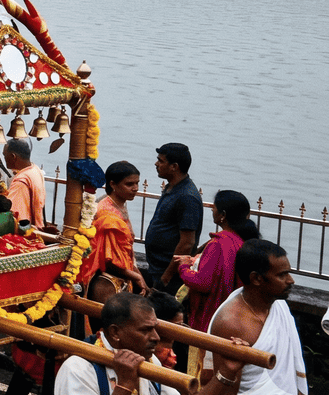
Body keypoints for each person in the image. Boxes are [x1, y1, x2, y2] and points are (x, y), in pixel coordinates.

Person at [50, 291, 238, 395]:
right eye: (146, 330)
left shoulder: (149, 363)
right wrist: (125, 384)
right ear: (115, 332)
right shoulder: (78, 369)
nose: (156, 337)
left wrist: (226, 372)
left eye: (155, 328)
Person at [203, 240, 308, 395]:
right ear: (256, 279)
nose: (291, 281)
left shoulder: (276, 304)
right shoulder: (233, 323)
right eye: (282, 275)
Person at [176, 190, 259, 361]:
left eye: (214, 208)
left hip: (210, 316)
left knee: (200, 365)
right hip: (231, 314)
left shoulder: (218, 244)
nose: (212, 211)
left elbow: (203, 282)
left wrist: (184, 267)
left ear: (223, 215)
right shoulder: (240, 241)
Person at [82, 161, 149, 300]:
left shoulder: (119, 204)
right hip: (107, 283)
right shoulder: (107, 214)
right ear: (112, 184)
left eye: (137, 183)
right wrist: (136, 276)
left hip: (123, 277)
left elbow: (126, 251)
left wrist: (137, 275)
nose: (136, 188)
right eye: (129, 184)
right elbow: (106, 261)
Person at [146, 142, 202, 293]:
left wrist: (167, 275)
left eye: (161, 161)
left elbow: (187, 242)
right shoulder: (172, 187)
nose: (156, 164)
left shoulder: (187, 197)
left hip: (169, 275)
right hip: (157, 268)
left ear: (174, 166)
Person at [4, 138, 48, 229]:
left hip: (27, 231)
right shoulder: (35, 169)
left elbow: (13, 215)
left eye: (5, 155)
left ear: (13, 156)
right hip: (39, 225)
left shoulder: (20, 182)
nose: (4, 159)